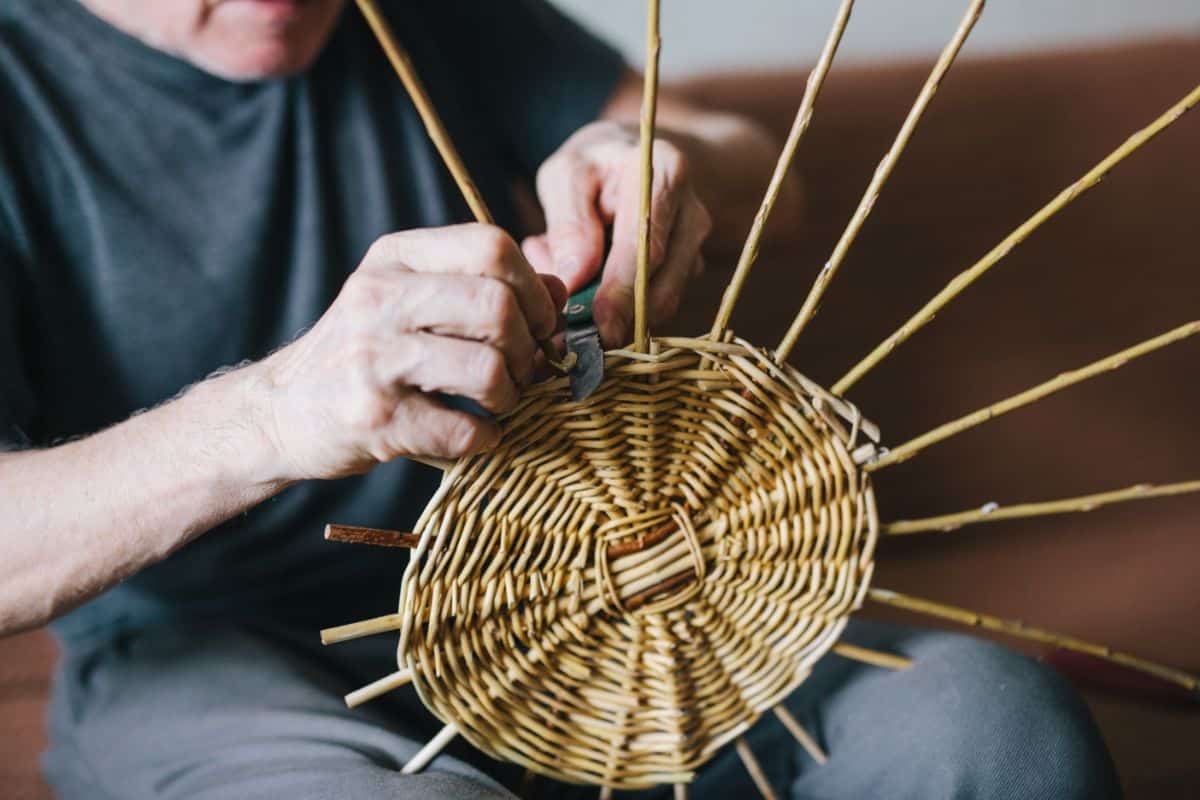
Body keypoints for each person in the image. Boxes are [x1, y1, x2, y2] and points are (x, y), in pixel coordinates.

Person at [0, 1, 1121, 798]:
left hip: (582, 602)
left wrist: (646, 149)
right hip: (218, 656)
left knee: (997, 726)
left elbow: (753, 163)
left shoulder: (422, 17)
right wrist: (270, 415)